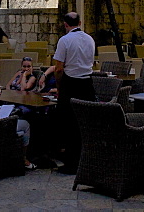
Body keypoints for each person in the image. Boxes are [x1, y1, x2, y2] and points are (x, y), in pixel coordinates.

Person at [53, 12, 96, 174]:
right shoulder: (90, 39)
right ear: (79, 22)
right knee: (83, 122)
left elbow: (58, 68)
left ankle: (71, 161)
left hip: (71, 83)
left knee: (69, 123)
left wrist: (59, 87)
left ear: (65, 24)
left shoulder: (64, 41)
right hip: (87, 83)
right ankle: (83, 157)